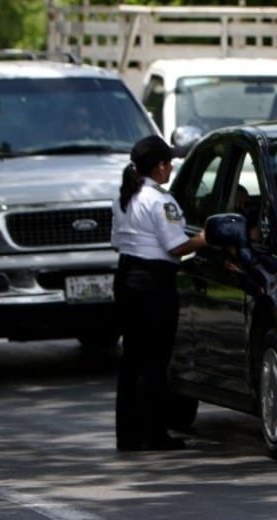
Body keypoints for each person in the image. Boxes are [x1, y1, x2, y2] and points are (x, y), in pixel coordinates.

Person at [111, 135, 207, 451]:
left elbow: (116, 242)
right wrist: (207, 238)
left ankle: (127, 435)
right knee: (155, 360)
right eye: (170, 163)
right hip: (154, 284)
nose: (172, 168)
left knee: (132, 360)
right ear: (161, 166)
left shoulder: (125, 197)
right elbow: (177, 246)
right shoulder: (159, 200)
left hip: (126, 279)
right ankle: (154, 434)